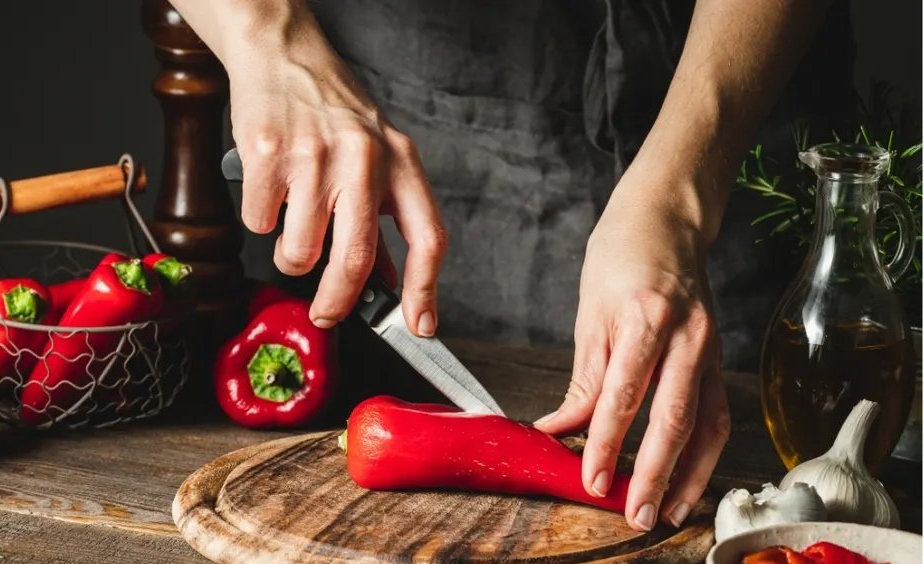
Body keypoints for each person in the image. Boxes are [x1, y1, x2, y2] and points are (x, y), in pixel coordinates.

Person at [167, 0, 846, 532]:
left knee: (739, 447)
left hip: (738, 87)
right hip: (406, 89)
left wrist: (682, 193)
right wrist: (266, 33)